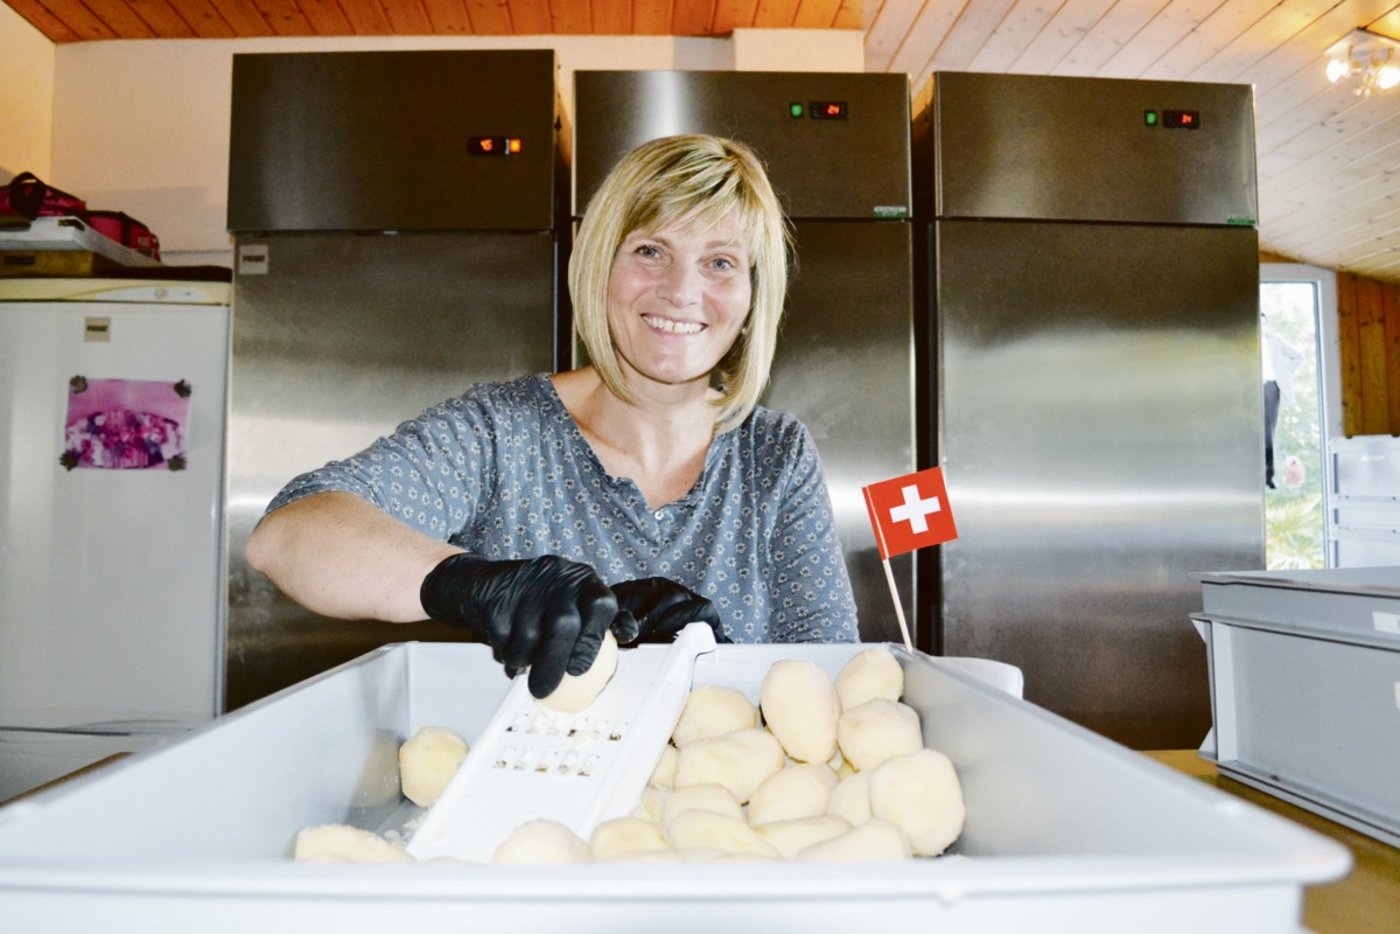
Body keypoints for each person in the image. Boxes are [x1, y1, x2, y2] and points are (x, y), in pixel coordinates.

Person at [246, 134, 858, 700]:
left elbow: (831, 675)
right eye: (650, 250)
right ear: (601, 269)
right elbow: (287, 536)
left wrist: (721, 667)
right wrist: (472, 583)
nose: (681, 291)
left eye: (720, 262)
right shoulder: (502, 432)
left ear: (754, 295)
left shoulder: (775, 453)